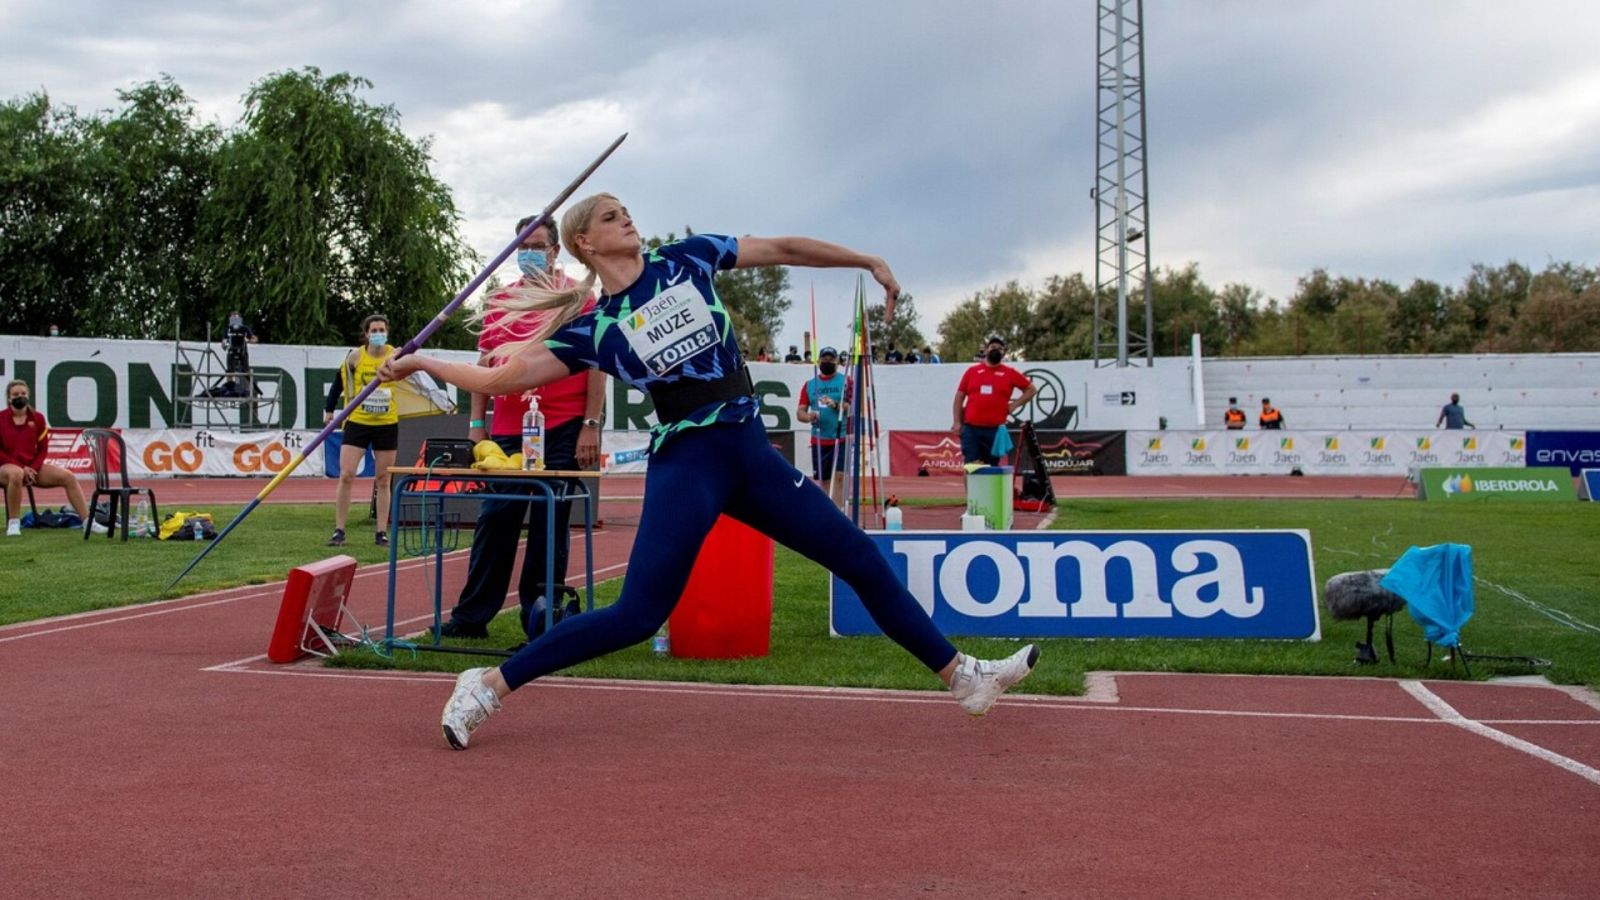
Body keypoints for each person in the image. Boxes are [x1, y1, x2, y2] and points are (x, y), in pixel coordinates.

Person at [379, 193, 1040, 750]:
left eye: (627, 210)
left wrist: (865, 261)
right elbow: (502, 377)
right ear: (584, 241)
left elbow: (783, 248)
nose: (628, 220)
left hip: (749, 454)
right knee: (637, 616)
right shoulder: (596, 327)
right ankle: (487, 687)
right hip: (688, 465)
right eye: (612, 216)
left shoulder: (686, 258)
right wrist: (423, 365)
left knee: (860, 557)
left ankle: (963, 677)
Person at [440, 215, 607, 640]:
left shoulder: (578, 298)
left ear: (555, 250)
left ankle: (542, 618)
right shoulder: (500, 302)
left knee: (551, 522)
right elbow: (483, 367)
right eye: (521, 245)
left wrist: (590, 424)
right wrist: (478, 425)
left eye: (537, 244)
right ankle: (471, 617)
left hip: (565, 424)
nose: (529, 252)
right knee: (497, 517)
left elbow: (595, 365)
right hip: (510, 430)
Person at [323, 315, 401, 547]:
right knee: (346, 474)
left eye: (382, 330)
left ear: (387, 332)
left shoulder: (395, 355)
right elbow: (339, 382)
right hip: (358, 422)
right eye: (374, 330)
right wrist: (329, 411)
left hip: (386, 423)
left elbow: (415, 378)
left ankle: (381, 532)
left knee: (383, 479)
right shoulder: (356, 357)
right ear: (366, 334)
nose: (378, 333)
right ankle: (339, 530)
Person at [0, 380, 103, 536]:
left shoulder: (38, 418)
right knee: (16, 474)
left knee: (68, 476)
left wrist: (32, 469)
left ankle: (88, 522)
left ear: (28, 396)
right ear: (9, 398)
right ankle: (14, 523)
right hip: (6, 467)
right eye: (15, 394)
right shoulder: (1, 418)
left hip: (31, 468)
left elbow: (43, 449)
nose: (20, 396)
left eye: (23, 394)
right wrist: (22, 468)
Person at [951, 335, 1038, 465]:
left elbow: (1031, 390)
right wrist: (957, 421)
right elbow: (959, 397)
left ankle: (986, 485)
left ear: (1003, 353)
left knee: (990, 467)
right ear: (986, 350)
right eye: (992, 347)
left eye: (1000, 348)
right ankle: (972, 486)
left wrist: (1014, 405)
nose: (996, 349)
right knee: (972, 465)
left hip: (995, 430)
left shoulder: (1010, 373)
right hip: (971, 429)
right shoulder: (972, 371)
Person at [796, 346, 851, 488]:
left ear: (837, 362)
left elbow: (852, 408)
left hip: (840, 437)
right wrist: (809, 417)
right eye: (824, 359)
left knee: (839, 478)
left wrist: (836, 405)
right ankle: (828, 509)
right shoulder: (810, 385)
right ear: (819, 361)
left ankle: (838, 510)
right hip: (820, 439)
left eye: (831, 359)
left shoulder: (845, 381)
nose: (827, 362)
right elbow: (800, 413)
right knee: (824, 481)